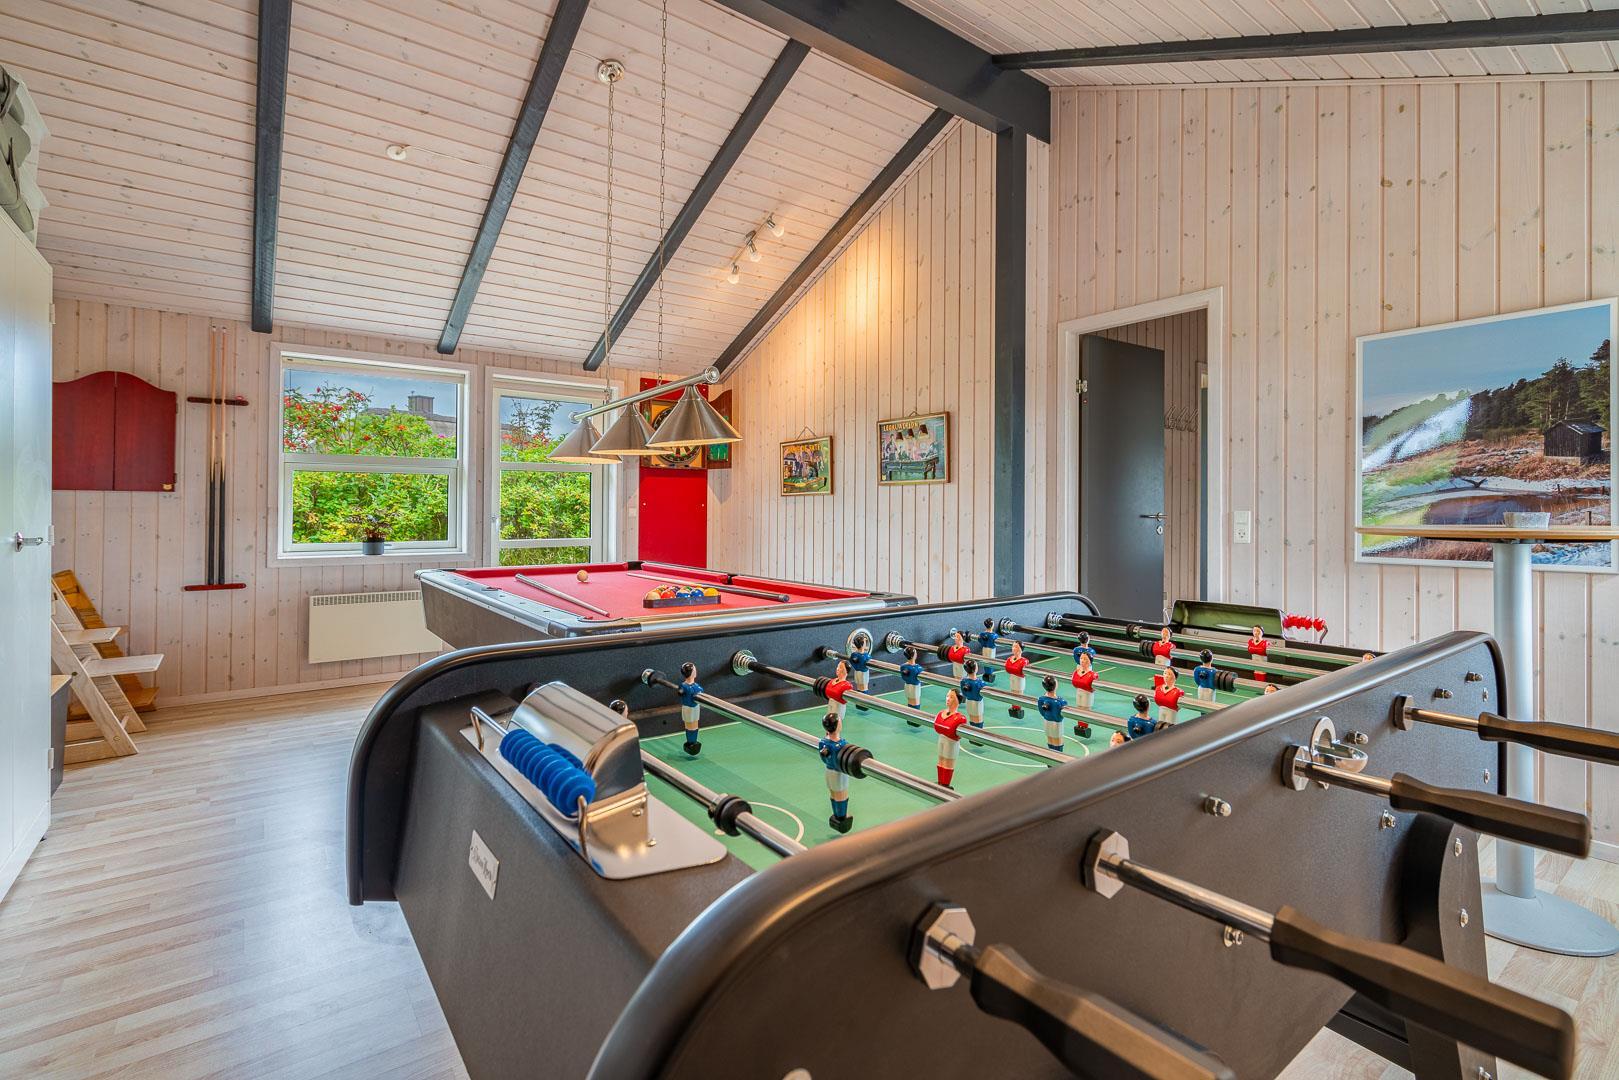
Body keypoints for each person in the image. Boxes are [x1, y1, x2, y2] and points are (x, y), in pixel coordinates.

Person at [818, 712, 853, 833]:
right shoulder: (841, 744)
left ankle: (836, 815)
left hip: (828, 771)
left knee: (833, 793)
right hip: (839, 774)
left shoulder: (823, 742)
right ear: (837, 726)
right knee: (841, 794)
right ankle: (841, 817)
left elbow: (824, 757)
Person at [933, 689, 968, 788]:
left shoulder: (960, 718)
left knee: (948, 761)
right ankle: (940, 781)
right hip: (942, 739)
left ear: (958, 700)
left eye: (951, 697)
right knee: (941, 760)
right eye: (947, 696)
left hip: (951, 743)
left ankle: (945, 783)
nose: (948, 699)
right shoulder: (941, 713)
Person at [1035, 675, 1067, 753]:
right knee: (1057, 740)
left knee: (1050, 738)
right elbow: (1061, 712)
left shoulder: (1041, 699)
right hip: (1057, 723)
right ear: (1055, 686)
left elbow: (1042, 712)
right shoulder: (1059, 701)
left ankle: (1051, 755)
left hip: (1046, 721)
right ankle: (1058, 756)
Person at [677, 662, 703, 756]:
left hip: (693, 707)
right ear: (691, 673)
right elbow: (698, 690)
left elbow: (700, 690)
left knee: (694, 724)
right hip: (689, 708)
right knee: (690, 725)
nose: (696, 671)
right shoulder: (687, 686)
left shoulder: (692, 686)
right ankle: (691, 742)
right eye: (694, 670)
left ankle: (693, 742)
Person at [1002, 641, 1030, 718]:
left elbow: (1017, 670)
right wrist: (1014, 669)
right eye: (1013, 646)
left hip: (1019, 680)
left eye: (1016, 647)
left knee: (1018, 694)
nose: (1014, 649)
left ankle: (1018, 708)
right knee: (1012, 692)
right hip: (1012, 678)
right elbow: (1008, 669)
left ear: (1021, 649)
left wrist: (1013, 669)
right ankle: (1013, 707)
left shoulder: (1024, 661)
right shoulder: (1010, 659)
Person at [847, 632, 872, 712]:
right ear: (862, 645)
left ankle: (858, 704)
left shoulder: (853, 655)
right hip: (864, 673)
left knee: (859, 687)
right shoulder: (865, 656)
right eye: (864, 643)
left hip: (857, 672)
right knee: (864, 687)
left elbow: (851, 661)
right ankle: (864, 705)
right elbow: (870, 660)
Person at [959, 658, 987, 728]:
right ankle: (978, 733)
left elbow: (964, 693)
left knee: (972, 718)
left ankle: (973, 732)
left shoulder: (963, 681)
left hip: (968, 701)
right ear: (975, 669)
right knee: (978, 719)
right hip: (977, 703)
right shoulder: (980, 683)